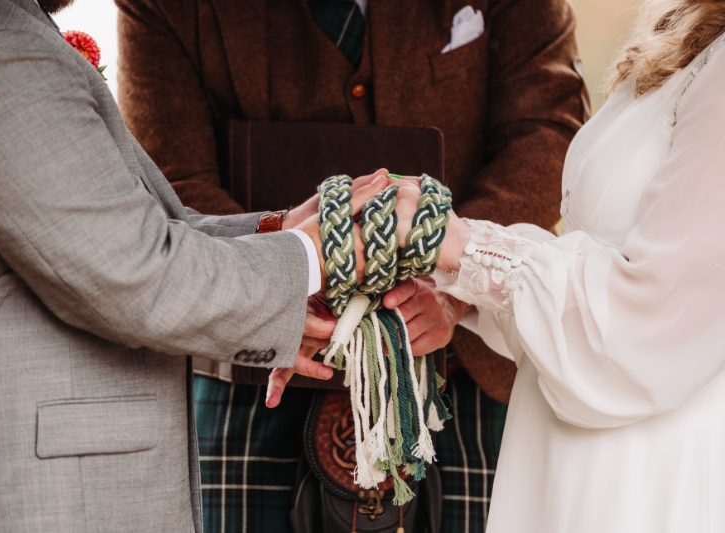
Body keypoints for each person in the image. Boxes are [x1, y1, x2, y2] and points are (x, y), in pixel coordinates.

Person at [0, 0, 424, 531]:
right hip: (39, 498)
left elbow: (131, 230)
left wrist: (275, 231)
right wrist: (316, 255)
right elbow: (135, 272)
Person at [115, 0, 587, 531]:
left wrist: (456, 288)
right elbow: (170, 183)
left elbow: (548, 129)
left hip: (462, 378)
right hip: (251, 380)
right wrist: (281, 295)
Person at [382, 0, 725, 531]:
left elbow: (650, 317)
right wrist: (463, 294)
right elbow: (588, 277)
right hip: (560, 446)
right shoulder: (688, 30)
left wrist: (459, 243)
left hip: (641, 469)